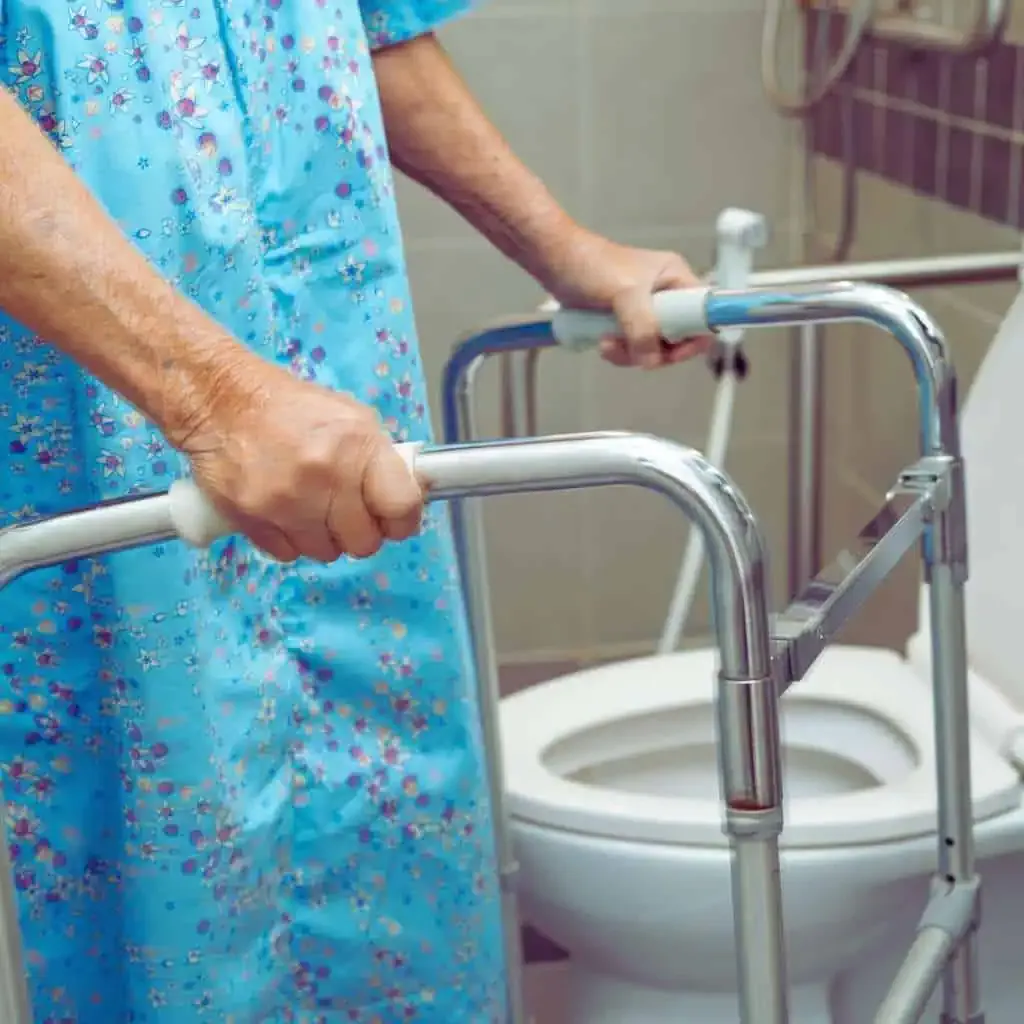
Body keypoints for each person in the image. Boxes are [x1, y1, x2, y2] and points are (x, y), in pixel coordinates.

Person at [0, 1, 707, 1018]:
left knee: (376, 836)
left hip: (324, 380)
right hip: (87, 415)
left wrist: (561, 246)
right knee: (129, 839)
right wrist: (212, 396)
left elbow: (366, 20)